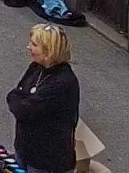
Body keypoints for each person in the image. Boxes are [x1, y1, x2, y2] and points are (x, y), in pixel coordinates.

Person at [7, 24, 81, 173]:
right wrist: (18, 99)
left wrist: (19, 99)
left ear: (48, 50)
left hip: (47, 162)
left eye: (34, 45)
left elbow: (23, 109)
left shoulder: (62, 82)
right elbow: (15, 95)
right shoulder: (36, 68)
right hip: (25, 150)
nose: (29, 47)